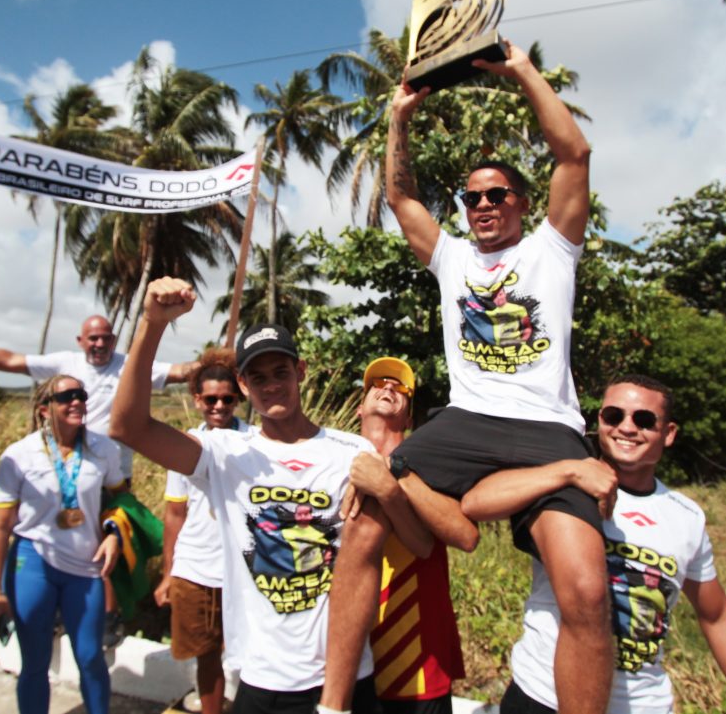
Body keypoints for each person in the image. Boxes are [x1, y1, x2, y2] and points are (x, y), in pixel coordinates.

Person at [321, 41, 607, 714]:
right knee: (364, 510)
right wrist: (399, 117)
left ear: (522, 201)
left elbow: (575, 155)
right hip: (467, 419)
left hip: (549, 426)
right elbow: (399, 194)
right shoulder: (450, 258)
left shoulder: (552, 248)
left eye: (497, 193)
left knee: (586, 592)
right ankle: (333, 705)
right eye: (471, 195)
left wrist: (521, 71)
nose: (482, 203)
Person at [111, 276, 433, 714]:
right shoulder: (224, 454)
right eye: (257, 376)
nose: (272, 385)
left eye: (281, 371)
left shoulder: (352, 452)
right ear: (243, 385)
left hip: (344, 679)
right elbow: (127, 427)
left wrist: (390, 491)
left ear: (299, 372)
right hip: (263, 679)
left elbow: (419, 543)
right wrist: (151, 324)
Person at [461, 375, 726, 714]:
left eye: (644, 420)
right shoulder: (561, 487)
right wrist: (567, 471)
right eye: (613, 416)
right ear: (599, 421)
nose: (626, 427)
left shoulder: (686, 517)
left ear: (668, 433)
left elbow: (716, 617)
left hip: (640, 706)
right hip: (543, 696)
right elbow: (477, 502)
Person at [0, 374, 125, 714]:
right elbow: (0, 526)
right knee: (34, 661)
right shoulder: (19, 454)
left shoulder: (103, 449)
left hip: (85, 565)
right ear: (44, 409)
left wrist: (113, 533)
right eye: (66, 397)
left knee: (91, 656)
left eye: (81, 394)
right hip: (32, 563)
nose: (76, 401)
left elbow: (121, 501)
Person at [347, 357, 475, 714]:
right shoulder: (334, 458)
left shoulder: (432, 464)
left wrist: (394, 473)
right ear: (359, 408)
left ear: (407, 418)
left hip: (416, 654)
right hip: (349, 649)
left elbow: (466, 536)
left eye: (400, 387)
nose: (389, 387)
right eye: (378, 383)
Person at [0, 314, 198, 481]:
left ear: (113, 340)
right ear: (80, 340)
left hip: (115, 475)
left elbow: (180, 371)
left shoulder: (131, 367)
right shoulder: (64, 363)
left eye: (105, 338)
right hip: (66, 470)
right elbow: (11, 361)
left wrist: (223, 361)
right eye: (93, 338)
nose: (99, 344)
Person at [155, 348, 247, 714]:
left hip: (243, 568)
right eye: (211, 399)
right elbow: (175, 513)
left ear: (238, 398)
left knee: (246, 654)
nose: (219, 406)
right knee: (205, 656)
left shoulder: (254, 442)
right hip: (196, 567)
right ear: (197, 400)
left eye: (227, 398)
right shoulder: (185, 446)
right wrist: (167, 574)